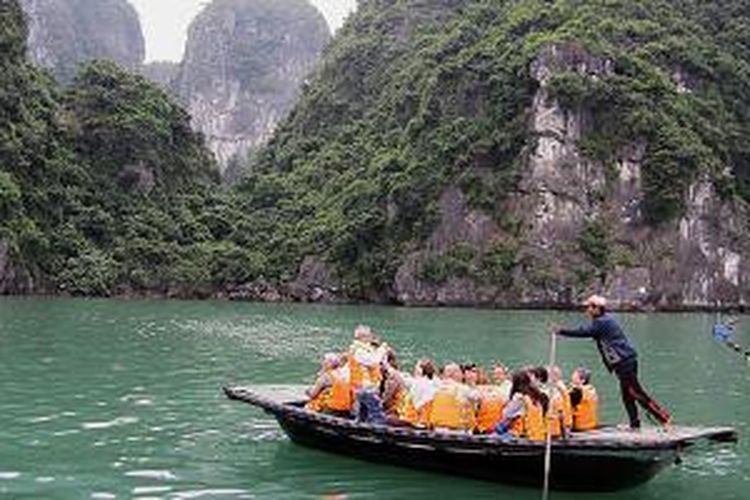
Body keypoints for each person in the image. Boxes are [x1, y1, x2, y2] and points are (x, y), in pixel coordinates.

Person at [553, 295, 671, 430]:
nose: (586, 310)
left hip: (624, 361)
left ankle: (664, 418)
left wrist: (561, 331)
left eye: (589, 307)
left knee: (636, 393)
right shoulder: (604, 320)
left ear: (597, 309)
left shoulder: (602, 322)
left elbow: (584, 332)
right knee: (627, 395)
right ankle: (635, 424)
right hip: (624, 361)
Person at [569, 366, 598, 431]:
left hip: (580, 426)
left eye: (575, 377)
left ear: (582, 380)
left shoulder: (577, 392)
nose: (572, 377)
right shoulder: (591, 389)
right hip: (591, 424)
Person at [548, 366, 572, 438]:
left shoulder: (558, 390)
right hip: (564, 423)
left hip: (561, 426)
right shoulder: (559, 386)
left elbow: (561, 413)